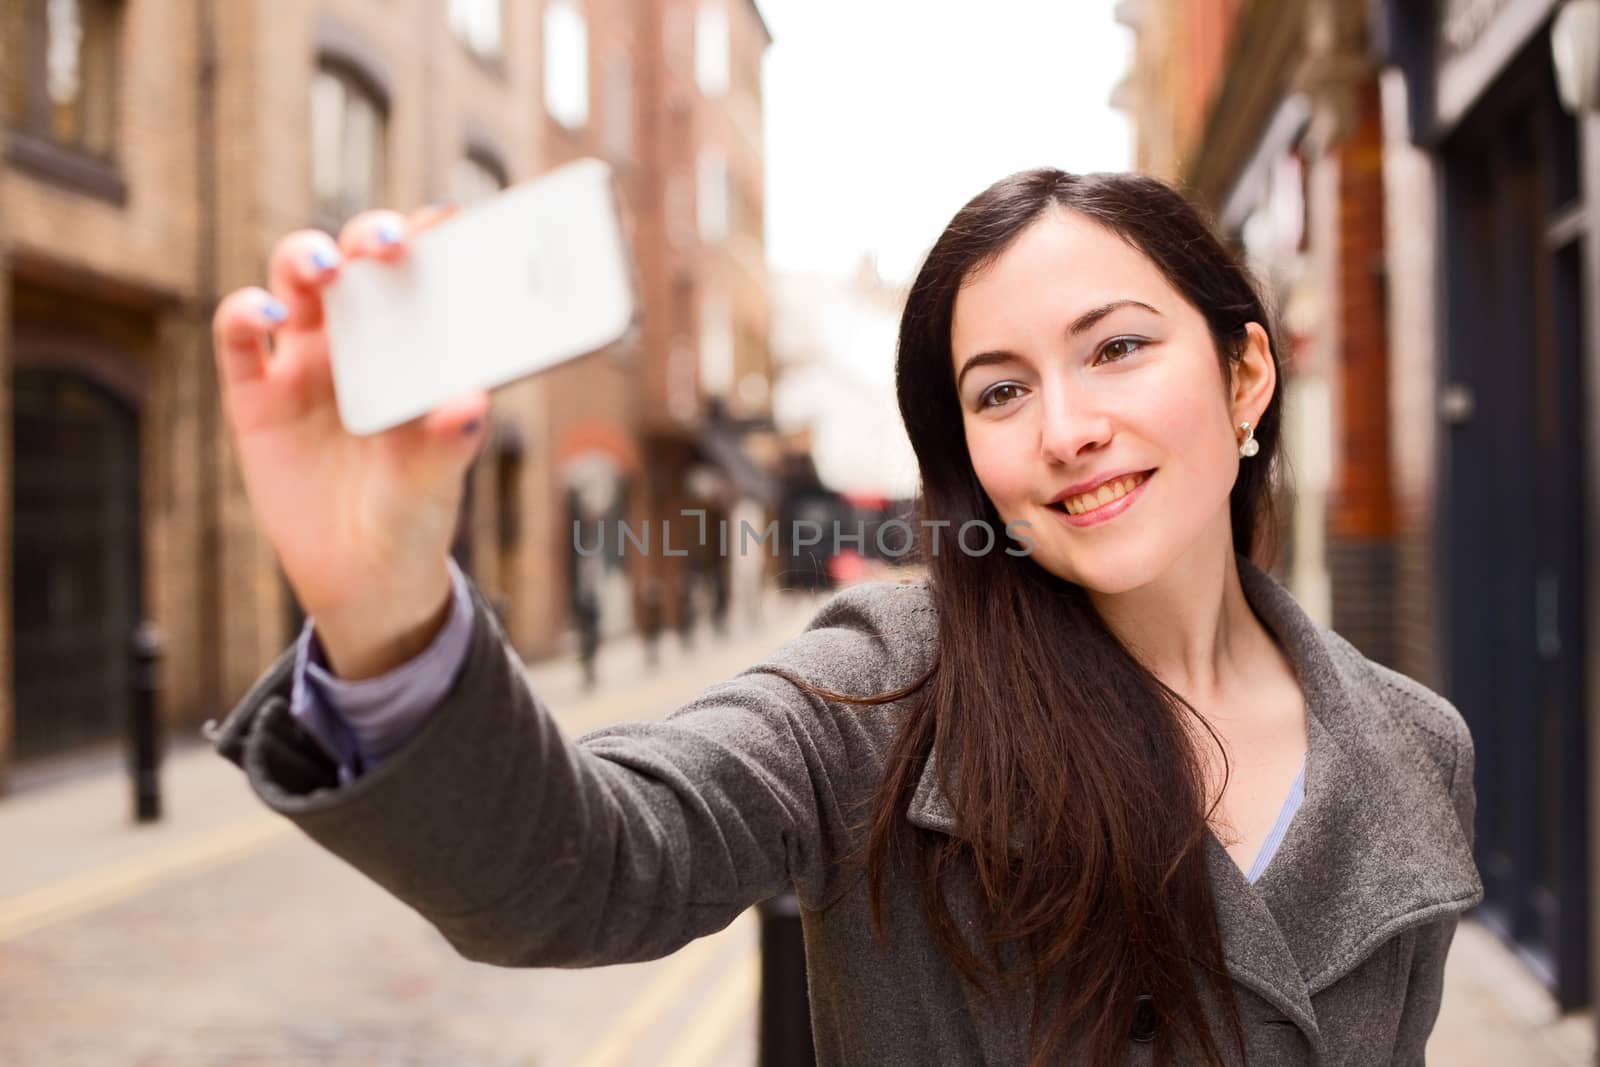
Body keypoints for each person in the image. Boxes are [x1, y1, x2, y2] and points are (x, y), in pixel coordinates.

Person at [204, 171, 1482, 1065]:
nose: (1063, 428)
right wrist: (379, 599)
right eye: (998, 391)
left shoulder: (1413, 745)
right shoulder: (889, 690)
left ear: (1243, 372)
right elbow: (578, 868)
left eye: (1116, 348)